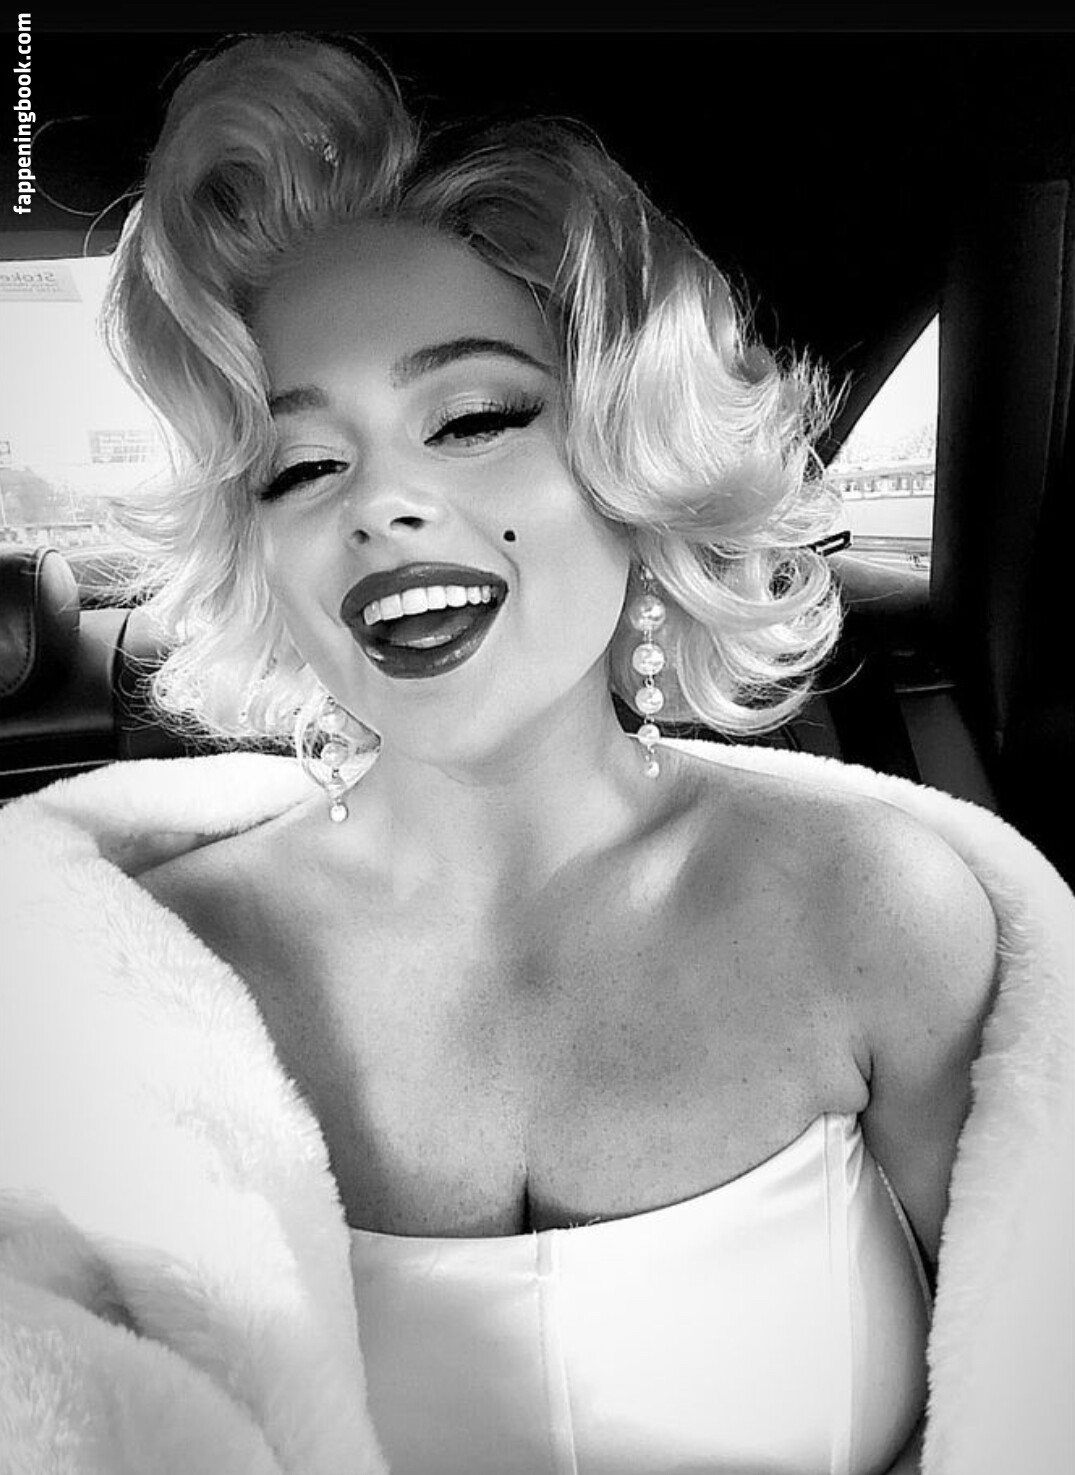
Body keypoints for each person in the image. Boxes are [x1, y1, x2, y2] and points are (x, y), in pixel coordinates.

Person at [0, 32, 1071, 1475]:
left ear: (633, 463)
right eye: (302, 464)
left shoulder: (877, 907)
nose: (380, 505)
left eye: (474, 418)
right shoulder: (143, 983)